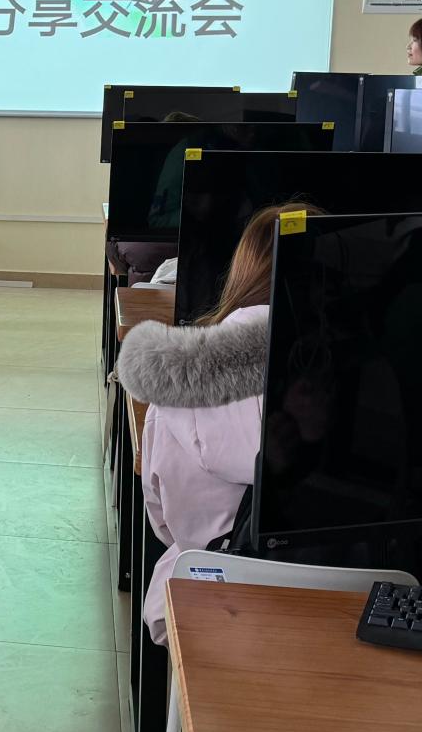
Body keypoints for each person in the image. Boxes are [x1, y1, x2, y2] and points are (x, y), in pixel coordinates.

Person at [114, 202, 323, 646]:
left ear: (243, 271)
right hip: (349, 597)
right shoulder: (371, 375)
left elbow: (162, 520)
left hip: (209, 599)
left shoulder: (173, 381)